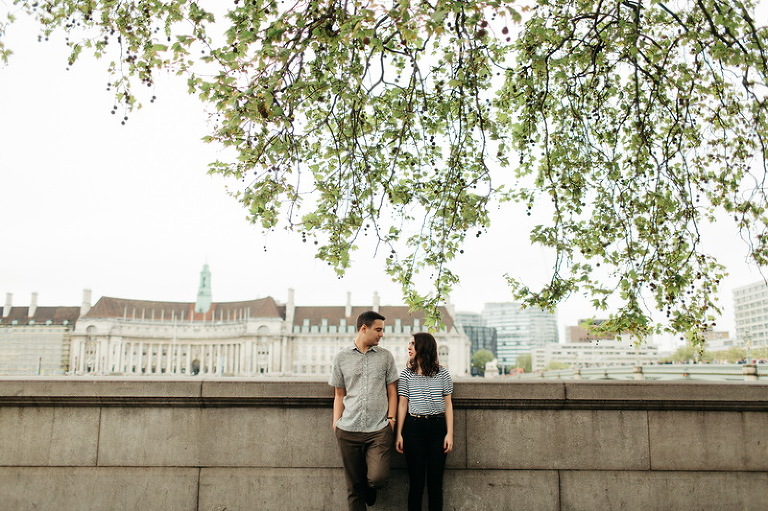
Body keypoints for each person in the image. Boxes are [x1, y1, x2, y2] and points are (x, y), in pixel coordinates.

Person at [329, 310, 399, 510]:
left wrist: (391, 420)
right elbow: (339, 395)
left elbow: (392, 392)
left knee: (378, 478)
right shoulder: (341, 357)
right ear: (363, 329)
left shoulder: (386, 357)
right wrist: (336, 423)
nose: (381, 334)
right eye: (378, 330)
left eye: (382, 330)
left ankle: (371, 488)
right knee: (354, 488)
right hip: (348, 430)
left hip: (378, 430)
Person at [395, 332, 454, 511]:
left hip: (437, 428)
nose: (409, 347)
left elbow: (448, 405)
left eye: (413, 344)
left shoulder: (443, 374)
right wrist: (399, 433)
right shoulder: (406, 374)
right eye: (409, 344)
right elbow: (402, 405)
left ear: (424, 347)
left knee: (435, 483)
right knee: (416, 483)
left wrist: (449, 434)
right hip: (413, 429)